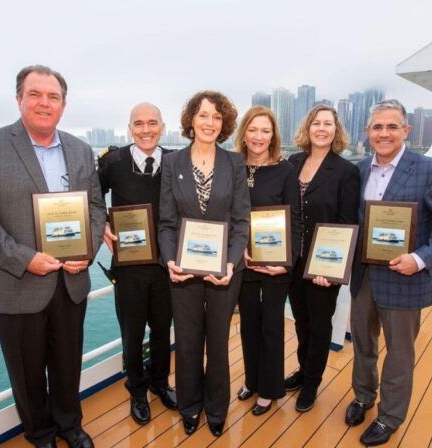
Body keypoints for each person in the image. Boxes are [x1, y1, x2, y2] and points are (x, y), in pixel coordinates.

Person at [0, 65, 106, 448]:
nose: (44, 103)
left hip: (71, 280)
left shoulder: (80, 148)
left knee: (68, 361)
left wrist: (86, 252)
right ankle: (40, 434)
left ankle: (70, 425)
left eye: (52, 96)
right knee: (25, 371)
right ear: (19, 99)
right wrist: (25, 258)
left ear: (64, 104)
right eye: (35, 94)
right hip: (17, 282)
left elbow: (95, 208)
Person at [345, 99, 432, 446]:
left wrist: (421, 258)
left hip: (404, 278)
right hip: (364, 276)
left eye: (392, 126)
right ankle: (363, 396)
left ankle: (389, 417)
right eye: (377, 127)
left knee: (399, 353)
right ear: (368, 132)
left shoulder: (430, 170)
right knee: (364, 345)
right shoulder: (359, 170)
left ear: (406, 131)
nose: (384, 133)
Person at [157, 91, 250, 437]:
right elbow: (167, 222)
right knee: (187, 340)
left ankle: (216, 407)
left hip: (226, 270)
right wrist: (169, 259)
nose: (209, 123)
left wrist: (230, 262)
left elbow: (241, 221)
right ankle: (190, 405)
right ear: (191, 121)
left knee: (218, 341)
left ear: (223, 124)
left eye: (216, 117)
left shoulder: (235, 163)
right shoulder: (173, 164)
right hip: (183, 269)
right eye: (203, 115)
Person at [97, 103, 177, 425]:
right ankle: (138, 391)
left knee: (161, 330)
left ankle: (160, 382)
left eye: (152, 123)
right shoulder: (112, 162)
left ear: (162, 126)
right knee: (131, 334)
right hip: (128, 269)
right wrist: (101, 221)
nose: (146, 129)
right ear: (130, 128)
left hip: (165, 266)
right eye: (139, 123)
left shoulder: (175, 162)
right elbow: (90, 196)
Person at [285, 105, 360, 412]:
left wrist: (329, 268)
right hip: (293, 260)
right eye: (316, 122)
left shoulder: (346, 171)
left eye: (328, 124)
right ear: (308, 127)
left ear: (335, 130)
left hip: (322, 263)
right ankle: (304, 371)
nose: (322, 128)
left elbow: (345, 223)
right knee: (301, 321)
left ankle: (312, 382)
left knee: (320, 324)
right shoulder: (293, 162)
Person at [233, 106, 300, 416]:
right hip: (243, 263)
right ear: (243, 133)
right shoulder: (233, 166)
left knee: (271, 326)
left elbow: (295, 219)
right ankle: (251, 379)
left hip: (275, 264)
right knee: (248, 325)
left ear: (273, 136)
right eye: (253, 129)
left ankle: (270, 389)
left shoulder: (285, 170)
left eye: (265, 131)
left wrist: (286, 263)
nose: (258, 136)